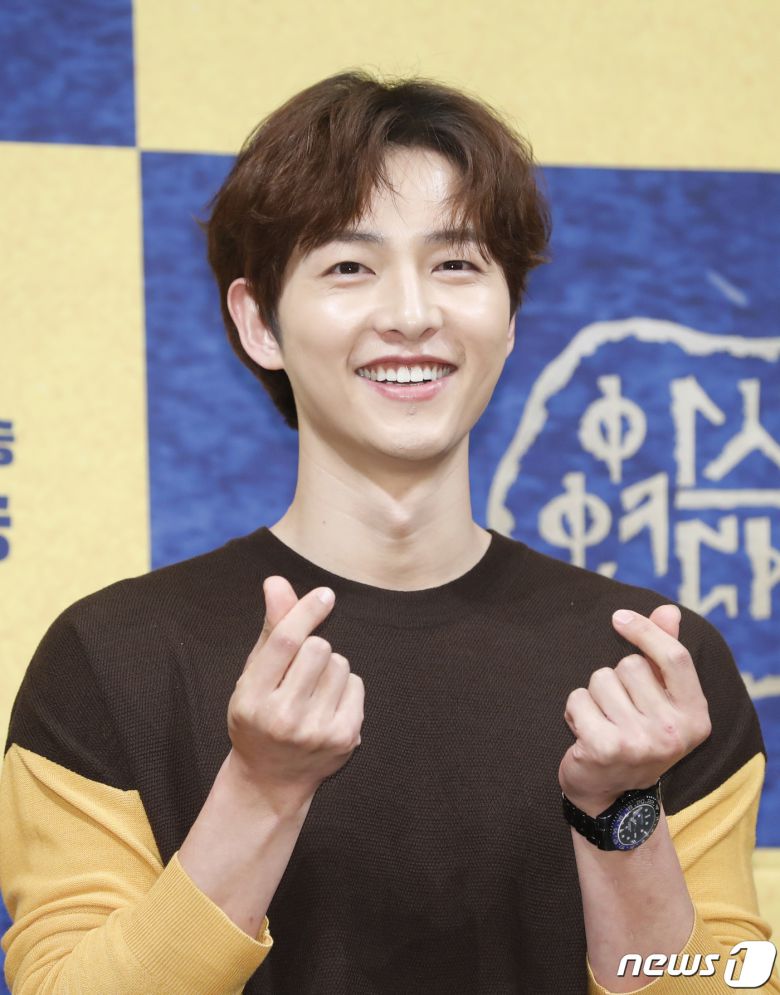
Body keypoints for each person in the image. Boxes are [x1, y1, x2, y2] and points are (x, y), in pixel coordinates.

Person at [0, 69, 776, 995]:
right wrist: (260, 791)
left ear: (511, 314)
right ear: (258, 322)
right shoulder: (113, 659)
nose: (412, 314)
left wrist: (621, 815)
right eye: (349, 267)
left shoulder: (653, 670)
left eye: (457, 265)